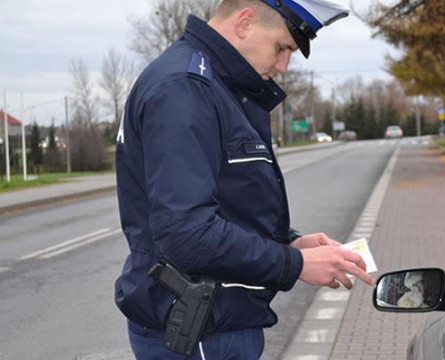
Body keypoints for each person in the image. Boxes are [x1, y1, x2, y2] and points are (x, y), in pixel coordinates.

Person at [114, 0, 374, 358]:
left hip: (215, 321)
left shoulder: (214, 85)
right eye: (281, 48)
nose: (283, 65)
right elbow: (187, 234)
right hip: (198, 333)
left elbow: (228, 206)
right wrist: (294, 265)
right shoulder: (185, 89)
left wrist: (290, 245)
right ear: (245, 23)